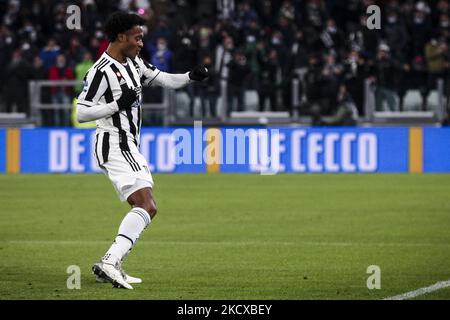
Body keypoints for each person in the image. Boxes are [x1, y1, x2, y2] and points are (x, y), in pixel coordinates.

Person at [76, 12, 208, 289]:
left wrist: (190, 76)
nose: (140, 43)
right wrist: (117, 104)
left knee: (142, 207)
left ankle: (114, 263)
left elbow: (164, 79)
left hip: (127, 145)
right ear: (121, 37)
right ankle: (110, 261)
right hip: (115, 143)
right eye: (137, 37)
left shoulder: (134, 62)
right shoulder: (101, 71)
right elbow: (82, 113)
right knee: (148, 205)